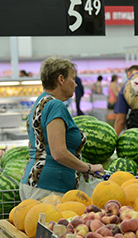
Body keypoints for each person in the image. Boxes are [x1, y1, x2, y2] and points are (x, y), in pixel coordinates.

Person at [20, 57, 104, 201]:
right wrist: (88, 168)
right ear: (61, 79)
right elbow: (59, 152)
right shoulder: (55, 106)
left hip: (36, 182)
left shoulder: (40, 103)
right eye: (73, 78)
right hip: (51, 188)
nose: (76, 84)